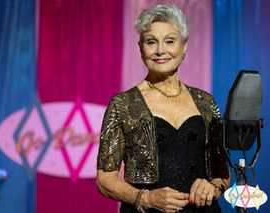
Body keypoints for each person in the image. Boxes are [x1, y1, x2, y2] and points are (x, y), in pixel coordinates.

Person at [96, 4, 231, 213]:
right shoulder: (122, 104)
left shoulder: (205, 102)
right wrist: (146, 199)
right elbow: (104, 179)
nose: (160, 50)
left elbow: (223, 173)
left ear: (184, 46)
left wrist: (213, 187)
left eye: (170, 41)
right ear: (141, 48)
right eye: (151, 42)